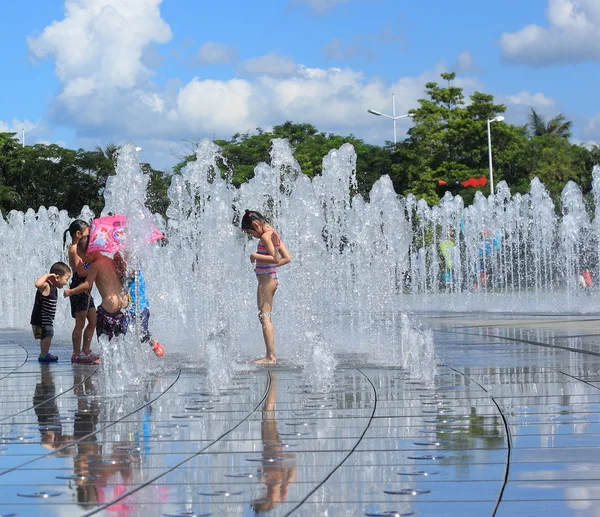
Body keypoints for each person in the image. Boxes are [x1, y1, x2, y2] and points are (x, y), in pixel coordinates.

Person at [241, 210, 291, 365]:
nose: (253, 236)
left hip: (266, 281)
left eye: (251, 233)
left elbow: (273, 257)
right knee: (265, 316)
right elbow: (286, 258)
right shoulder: (273, 232)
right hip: (270, 278)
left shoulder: (265, 235)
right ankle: (270, 354)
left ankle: (270, 357)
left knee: (265, 317)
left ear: (255, 225)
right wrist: (271, 268)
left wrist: (255, 256)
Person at [64, 236, 129, 343]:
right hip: (122, 304)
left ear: (89, 253)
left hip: (109, 306)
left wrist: (71, 291)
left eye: (83, 258)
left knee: (103, 337)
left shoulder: (95, 265)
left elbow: (87, 285)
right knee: (118, 339)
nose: (84, 261)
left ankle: (104, 356)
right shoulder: (109, 260)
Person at [114, 251, 164, 357]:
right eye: (117, 263)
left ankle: (153, 342)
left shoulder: (134, 272)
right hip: (127, 309)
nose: (118, 266)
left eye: (120, 263)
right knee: (121, 330)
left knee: (142, 334)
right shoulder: (121, 277)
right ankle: (119, 354)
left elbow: (131, 271)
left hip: (141, 308)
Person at [63, 220, 99, 364]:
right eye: (86, 234)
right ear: (78, 234)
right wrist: (95, 269)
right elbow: (80, 271)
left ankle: (86, 350)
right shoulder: (74, 248)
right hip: (79, 288)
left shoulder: (81, 247)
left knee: (93, 321)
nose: (88, 238)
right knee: (80, 322)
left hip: (86, 289)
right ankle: (76, 353)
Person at [31, 262, 71, 362]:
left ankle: (44, 353)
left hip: (41, 320)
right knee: (48, 334)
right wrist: (47, 275)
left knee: (44, 336)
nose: (66, 282)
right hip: (42, 320)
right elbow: (37, 284)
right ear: (57, 277)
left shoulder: (53, 287)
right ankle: (44, 355)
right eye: (66, 279)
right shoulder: (47, 286)